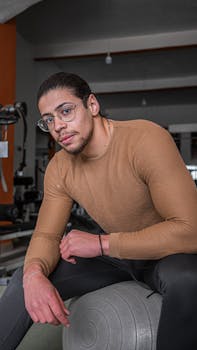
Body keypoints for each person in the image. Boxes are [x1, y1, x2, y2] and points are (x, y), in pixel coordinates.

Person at [0, 72, 197, 350]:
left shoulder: (146, 139)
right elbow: (45, 234)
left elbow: (190, 231)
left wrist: (101, 244)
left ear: (92, 105)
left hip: (167, 255)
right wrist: (33, 274)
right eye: (49, 120)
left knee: (190, 280)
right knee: (26, 278)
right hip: (116, 257)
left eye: (65, 111)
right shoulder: (60, 167)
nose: (58, 126)